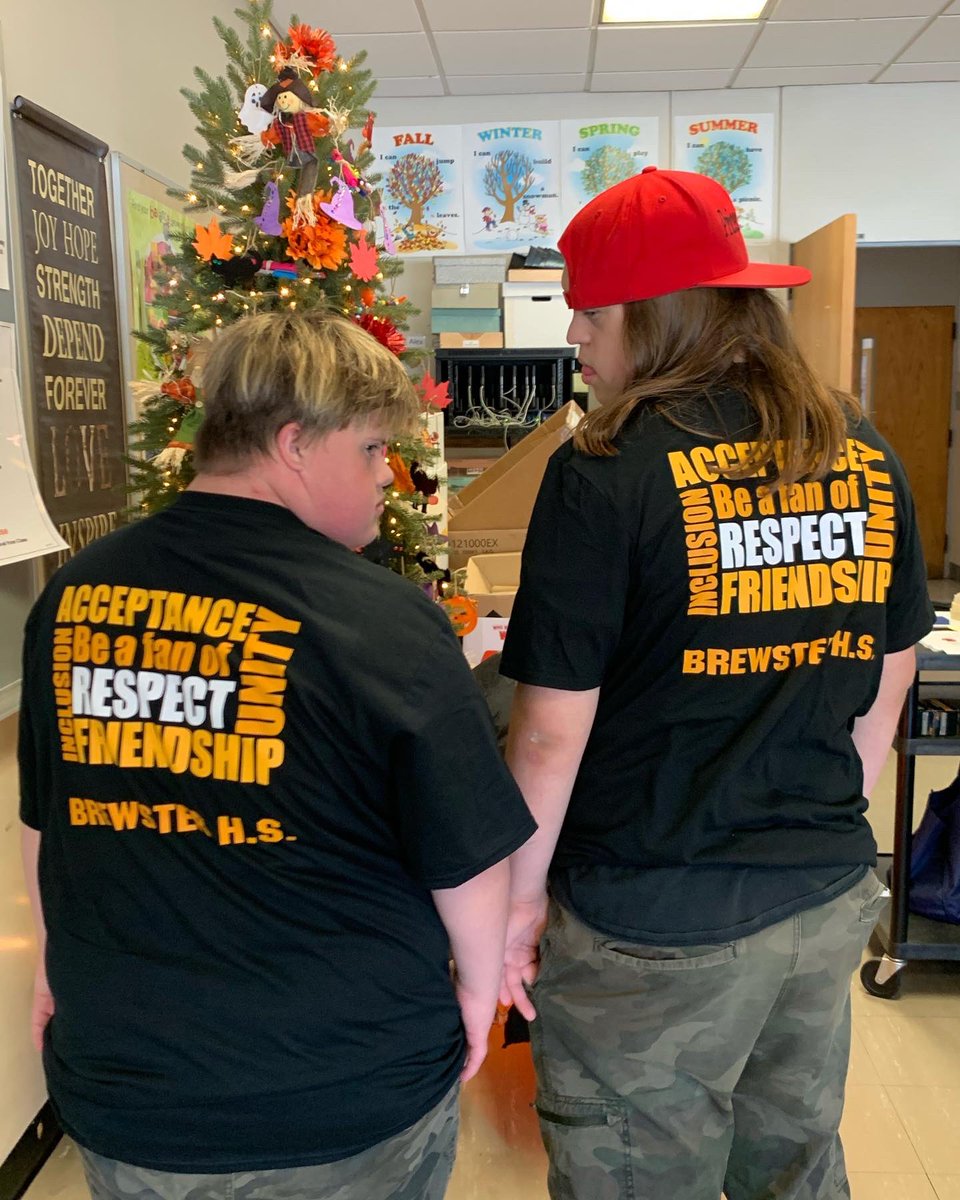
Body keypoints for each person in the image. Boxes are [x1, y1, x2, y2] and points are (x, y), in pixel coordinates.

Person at [19, 309, 535, 1200]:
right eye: (371, 449)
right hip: (341, 1087)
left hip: (132, 1089)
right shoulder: (383, 622)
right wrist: (478, 989)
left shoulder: (72, 597)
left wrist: (50, 964)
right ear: (294, 444)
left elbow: (47, 819)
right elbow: (468, 863)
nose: (387, 476)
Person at [497, 167, 933, 1200]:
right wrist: (821, 805)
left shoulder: (605, 467)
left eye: (593, 313)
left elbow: (551, 733)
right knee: (794, 1166)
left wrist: (515, 906)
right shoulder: (856, 445)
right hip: (821, 890)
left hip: (652, 915)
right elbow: (894, 663)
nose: (575, 335)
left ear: (658, 315)